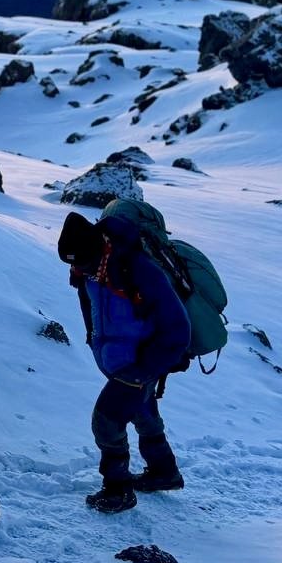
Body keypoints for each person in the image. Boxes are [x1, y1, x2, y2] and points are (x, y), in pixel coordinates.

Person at [58, 211, 191, 513]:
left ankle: (118, 489)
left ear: (99, 247)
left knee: (106, 420)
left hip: (139, 364)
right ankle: (164, 472)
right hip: (119, 362)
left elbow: (178, 329)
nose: (78, 268)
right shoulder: (87, 268)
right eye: (72, 263)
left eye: (82, 261)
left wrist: (143, 370)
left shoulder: (139, 270)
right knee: (142, 410)